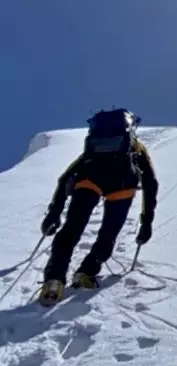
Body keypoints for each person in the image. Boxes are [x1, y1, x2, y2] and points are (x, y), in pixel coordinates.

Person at [38, 108, 159, 305]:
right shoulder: (136, 147)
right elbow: (151, 183)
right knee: (108, 236)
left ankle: (54, 279)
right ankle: (86, 273)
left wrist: (54, 212)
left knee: (70, 230)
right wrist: (147, 221)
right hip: (123, 187)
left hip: (89, 180)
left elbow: (65, 178)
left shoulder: (92, 150)